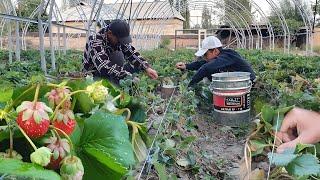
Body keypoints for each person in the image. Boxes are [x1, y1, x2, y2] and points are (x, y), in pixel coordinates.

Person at [83, 19, 158, 84]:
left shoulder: (117, 38)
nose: (121, 42)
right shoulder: (95, 41)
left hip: (110, 69)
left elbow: (131, 52)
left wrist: (147, 68)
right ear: (110, 33)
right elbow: (103, 66)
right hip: (93, 73)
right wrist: (128, 76)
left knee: (132, 68)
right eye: (119, 40)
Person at [175, 36, 256, 86]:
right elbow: (203, 63)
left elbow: (206, 68)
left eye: (205, 54)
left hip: (246, 86)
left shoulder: (228, 56)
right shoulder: (221, 57)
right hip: (236, 84)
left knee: (209, 70)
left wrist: (188, 85)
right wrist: (186, 66)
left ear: (215, 51)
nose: (204, 57)